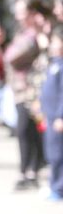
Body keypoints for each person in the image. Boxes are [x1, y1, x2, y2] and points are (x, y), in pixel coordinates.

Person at [4, 0, 48, 190]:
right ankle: (28, 171)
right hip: (20, 89)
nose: (18, 16)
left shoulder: (37, 35)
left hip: (33, 90)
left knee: (26, 130)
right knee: (25, 131)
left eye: (21, 12)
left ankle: (31, 171)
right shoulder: (23, 34)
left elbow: (12, 58)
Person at [40, 24, 63, 201]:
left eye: (55, 41)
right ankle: (53, 184)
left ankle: (58, 187)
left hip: (57, 118)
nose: (51, 45)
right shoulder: (54, 64)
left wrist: (60, 116)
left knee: (58, 154)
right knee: (51, 153)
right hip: (50, 116)